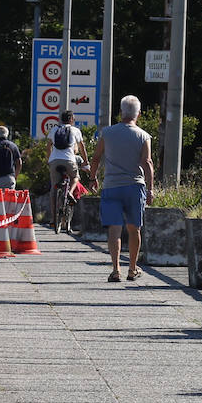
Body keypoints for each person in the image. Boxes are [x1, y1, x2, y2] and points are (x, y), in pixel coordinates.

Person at [91, 95, 154, 282]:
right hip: (135, 186)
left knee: (114, 229)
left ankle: (116, 269)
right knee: (135, 229)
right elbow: (147, 162)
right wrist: (150, 189)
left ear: (121, 112)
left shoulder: (107, 133)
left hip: (111, 187)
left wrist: (93, 178)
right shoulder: (143, 136)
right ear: (139, 114)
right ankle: (132, 269)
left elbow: (96, 158)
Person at [47, 110, 90, 232]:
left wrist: (49, 160)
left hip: (54, 161)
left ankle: (53, 219)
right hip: (69, 160)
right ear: (71, 119)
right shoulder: (75, 130)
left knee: (53, 188)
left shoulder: (54, 130)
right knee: (75, 177)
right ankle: (70, 192)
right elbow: (82, 147)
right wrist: (85, 161)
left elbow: (48, 146)